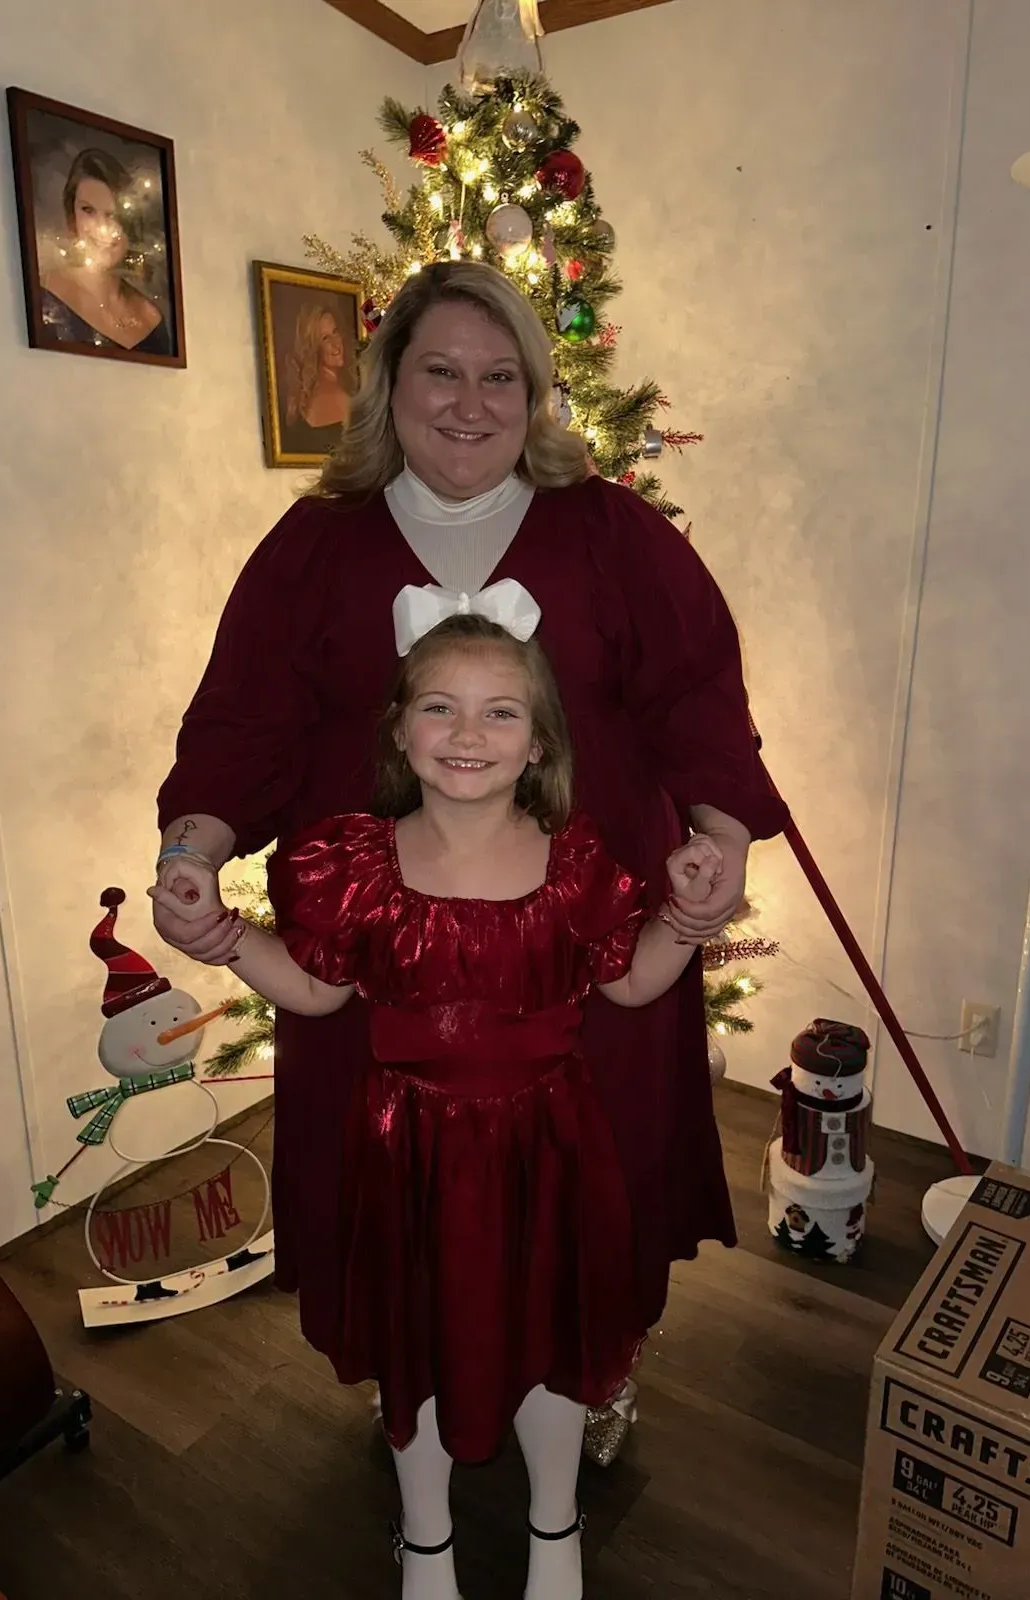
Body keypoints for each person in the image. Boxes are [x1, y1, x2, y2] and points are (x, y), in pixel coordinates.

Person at [153, 259, 789, 1467]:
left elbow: (702, 697)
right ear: (388, 385)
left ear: (538, 397)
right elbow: (241, 723)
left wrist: (720, 839)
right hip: (380, 960)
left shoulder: (614, 533)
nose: (469, 402)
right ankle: (417, 1373)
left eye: (502, 376)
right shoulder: (312, 545)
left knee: (584, 1176)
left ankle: (586, 1369)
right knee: (395, 1176)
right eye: (439, 370)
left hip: (577, 938)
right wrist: (195, 853)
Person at [153, 609, 724, 1598]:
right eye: (441, 708)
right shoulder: (353, 865)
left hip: (550, 1145)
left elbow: (631, 983)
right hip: (409, 1149)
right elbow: (317, 988)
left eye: (500, 712)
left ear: (538, 741)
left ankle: (557, 1528)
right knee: (414, 1349)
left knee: (553, 1341)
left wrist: (686, 911)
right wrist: (225, 940)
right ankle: (427, 1539)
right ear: (400, 729)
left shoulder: (576, 863)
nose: (468, 734)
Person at [40, 147, 171, 355]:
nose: (101, 227)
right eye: (88, 210)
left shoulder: (151, 318)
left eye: (112, 214)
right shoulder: (45, 298)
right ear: (72, 215)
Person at [280, 301, 356, 456]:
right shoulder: (331, 393)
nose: (336, 344)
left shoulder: (346, 383)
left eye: (336, 332)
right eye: (326, 338)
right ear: (313, 347)